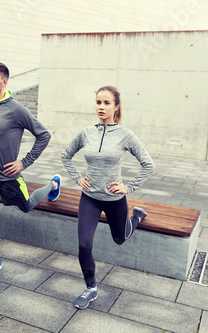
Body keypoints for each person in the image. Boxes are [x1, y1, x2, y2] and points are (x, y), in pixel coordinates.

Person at [61, 85, 155, 309]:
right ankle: (90, 288)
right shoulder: (86, 133)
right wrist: (78, 178)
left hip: (114, 199)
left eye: (106, 103)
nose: (101, 107)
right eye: (98, 102)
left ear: (116, 107)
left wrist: (128, 187)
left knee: (120, 239)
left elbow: (148, 165)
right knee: (84, 245)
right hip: (90, 198)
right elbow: (66, 156)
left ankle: (137, 217)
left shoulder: (125, 135)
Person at [0, 62, 61, 281]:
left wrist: (24, 162)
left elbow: (44, 135)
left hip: (8, 178)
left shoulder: (16, 110)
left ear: (4, 82)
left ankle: (53, 185)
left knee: (27, 206)